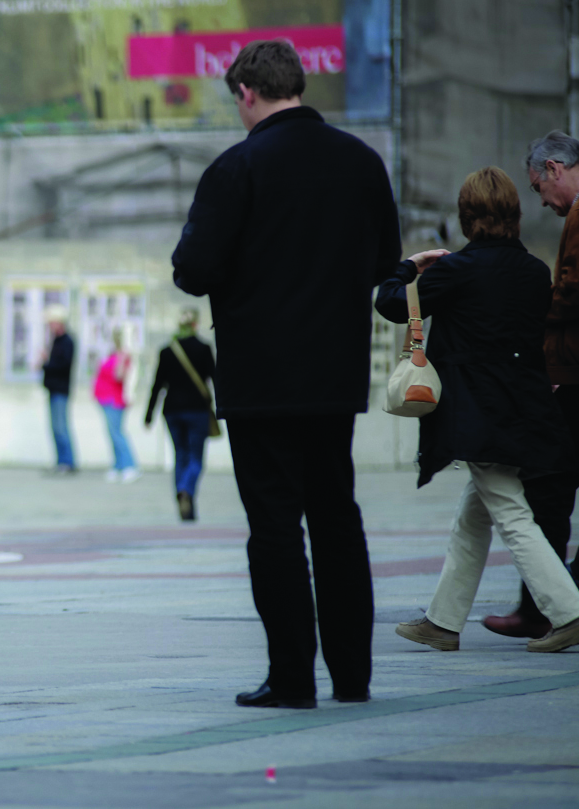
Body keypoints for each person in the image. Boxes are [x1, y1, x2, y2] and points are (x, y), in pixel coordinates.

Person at [171, 40, 400, 708]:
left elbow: (193, 269)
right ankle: (353, 676)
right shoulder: (361, 162)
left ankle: (292, 677)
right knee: (337, 516)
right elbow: (385, 260)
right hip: (334, 376)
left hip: (260, 380)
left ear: (246, 92)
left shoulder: (238, 168)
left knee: (274, 525)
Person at [377, 167, 579, 654]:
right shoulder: (533, 272)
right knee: (473, 516)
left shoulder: (455, 271)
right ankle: (443, 623)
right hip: (526, 410)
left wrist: (410, 265)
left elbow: (390, 304)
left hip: (477, 415)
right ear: (513, 214)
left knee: (511, 514)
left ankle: (570, 611)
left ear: (467, 218)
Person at [480, 131, 579, 639]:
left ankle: (550, 605)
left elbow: (573, 291)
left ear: (555, 169)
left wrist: (540, 308)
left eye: (540, 186)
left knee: (547, 487)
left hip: (571, 376)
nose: (541, 198)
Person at [145, 308, 216, 521]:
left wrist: (149, 413)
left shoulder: (167, 351)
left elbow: (158, 384)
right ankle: (186, 489)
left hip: (172, 411)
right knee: (195, 457)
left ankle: (184, 500)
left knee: (181, 455)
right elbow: (215, 378)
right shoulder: (203, 349)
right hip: (197, 410)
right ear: (195, 325)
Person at [93, 323, 139, 483]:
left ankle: (129, 465)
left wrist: (122, 358)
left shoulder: (124, 357)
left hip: (115, 400)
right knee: (112, 434)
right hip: (104, 399)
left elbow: (119, 376)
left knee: (118, 433)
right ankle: (118, 465)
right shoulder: (111, 354)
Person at [40, 305, 77, 474]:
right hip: (53, 389)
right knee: (55, 427)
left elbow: (63, 365)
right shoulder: (55, 341)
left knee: (62, 427)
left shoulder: (67, 341)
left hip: (61, 390)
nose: (49, 326)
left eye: (52, 323)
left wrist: (46, 363)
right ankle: (61, 460)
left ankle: (68, 462)